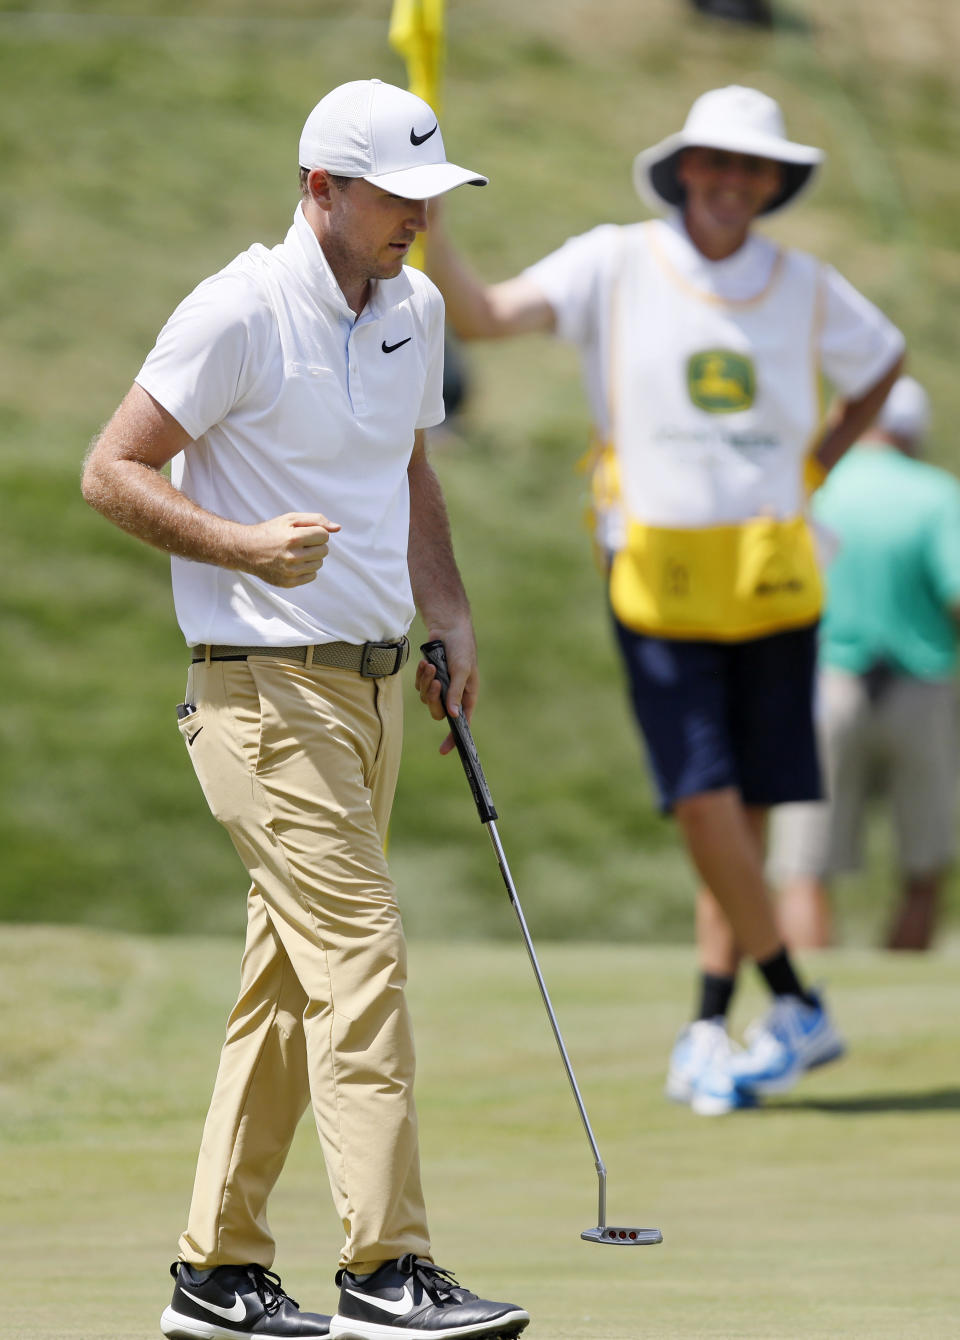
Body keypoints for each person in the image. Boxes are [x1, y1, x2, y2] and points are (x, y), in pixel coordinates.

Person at [81, 78, 529, 1340]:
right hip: (260, 692)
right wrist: (237, 543)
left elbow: (409, 468)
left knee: (288, 981)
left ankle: (217, 1271)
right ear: (321, 189)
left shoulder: (415, 305)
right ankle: (387, 1265)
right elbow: (109, 468)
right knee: (361, 954)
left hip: (375, 686)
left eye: (432, 200)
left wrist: (448, 614)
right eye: (399, 198)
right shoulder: (237, 309)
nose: (420, 224)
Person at [421, 85, 904, 1116]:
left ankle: (705, 1028)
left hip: (772, 571)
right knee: (701, 796)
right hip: (654, 566)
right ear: (684, 168)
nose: (731, 182)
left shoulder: (805, 284)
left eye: (752, 167)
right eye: (714, 162)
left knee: (740, 812)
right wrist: (438, 228)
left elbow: (882, 362)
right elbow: (483, 314)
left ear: (773, 183)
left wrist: (814, 463)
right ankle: (794, 1000)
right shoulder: (615, 260)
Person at [771, 377, 960, 952]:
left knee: (805, 865)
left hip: (825, 684)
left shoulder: (817, 489)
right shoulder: (937, 494)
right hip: (921, 687)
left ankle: (802, 1006)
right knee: (923, 865)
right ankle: (900, 994)